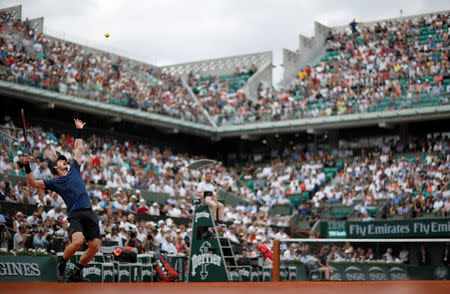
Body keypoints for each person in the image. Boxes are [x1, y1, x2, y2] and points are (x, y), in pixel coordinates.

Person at [24, 119, 101, 282]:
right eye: (61, 160)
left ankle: (76, 273)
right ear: (56, 168)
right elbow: (33, 182)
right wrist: (27, 166)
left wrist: (79, 130)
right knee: (78, 241)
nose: (64, 160)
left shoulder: (74, 168)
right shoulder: (55, 182)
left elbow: (78, 148)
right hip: (75, 214)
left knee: (95, 247)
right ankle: (62, 266)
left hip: (89, 211)